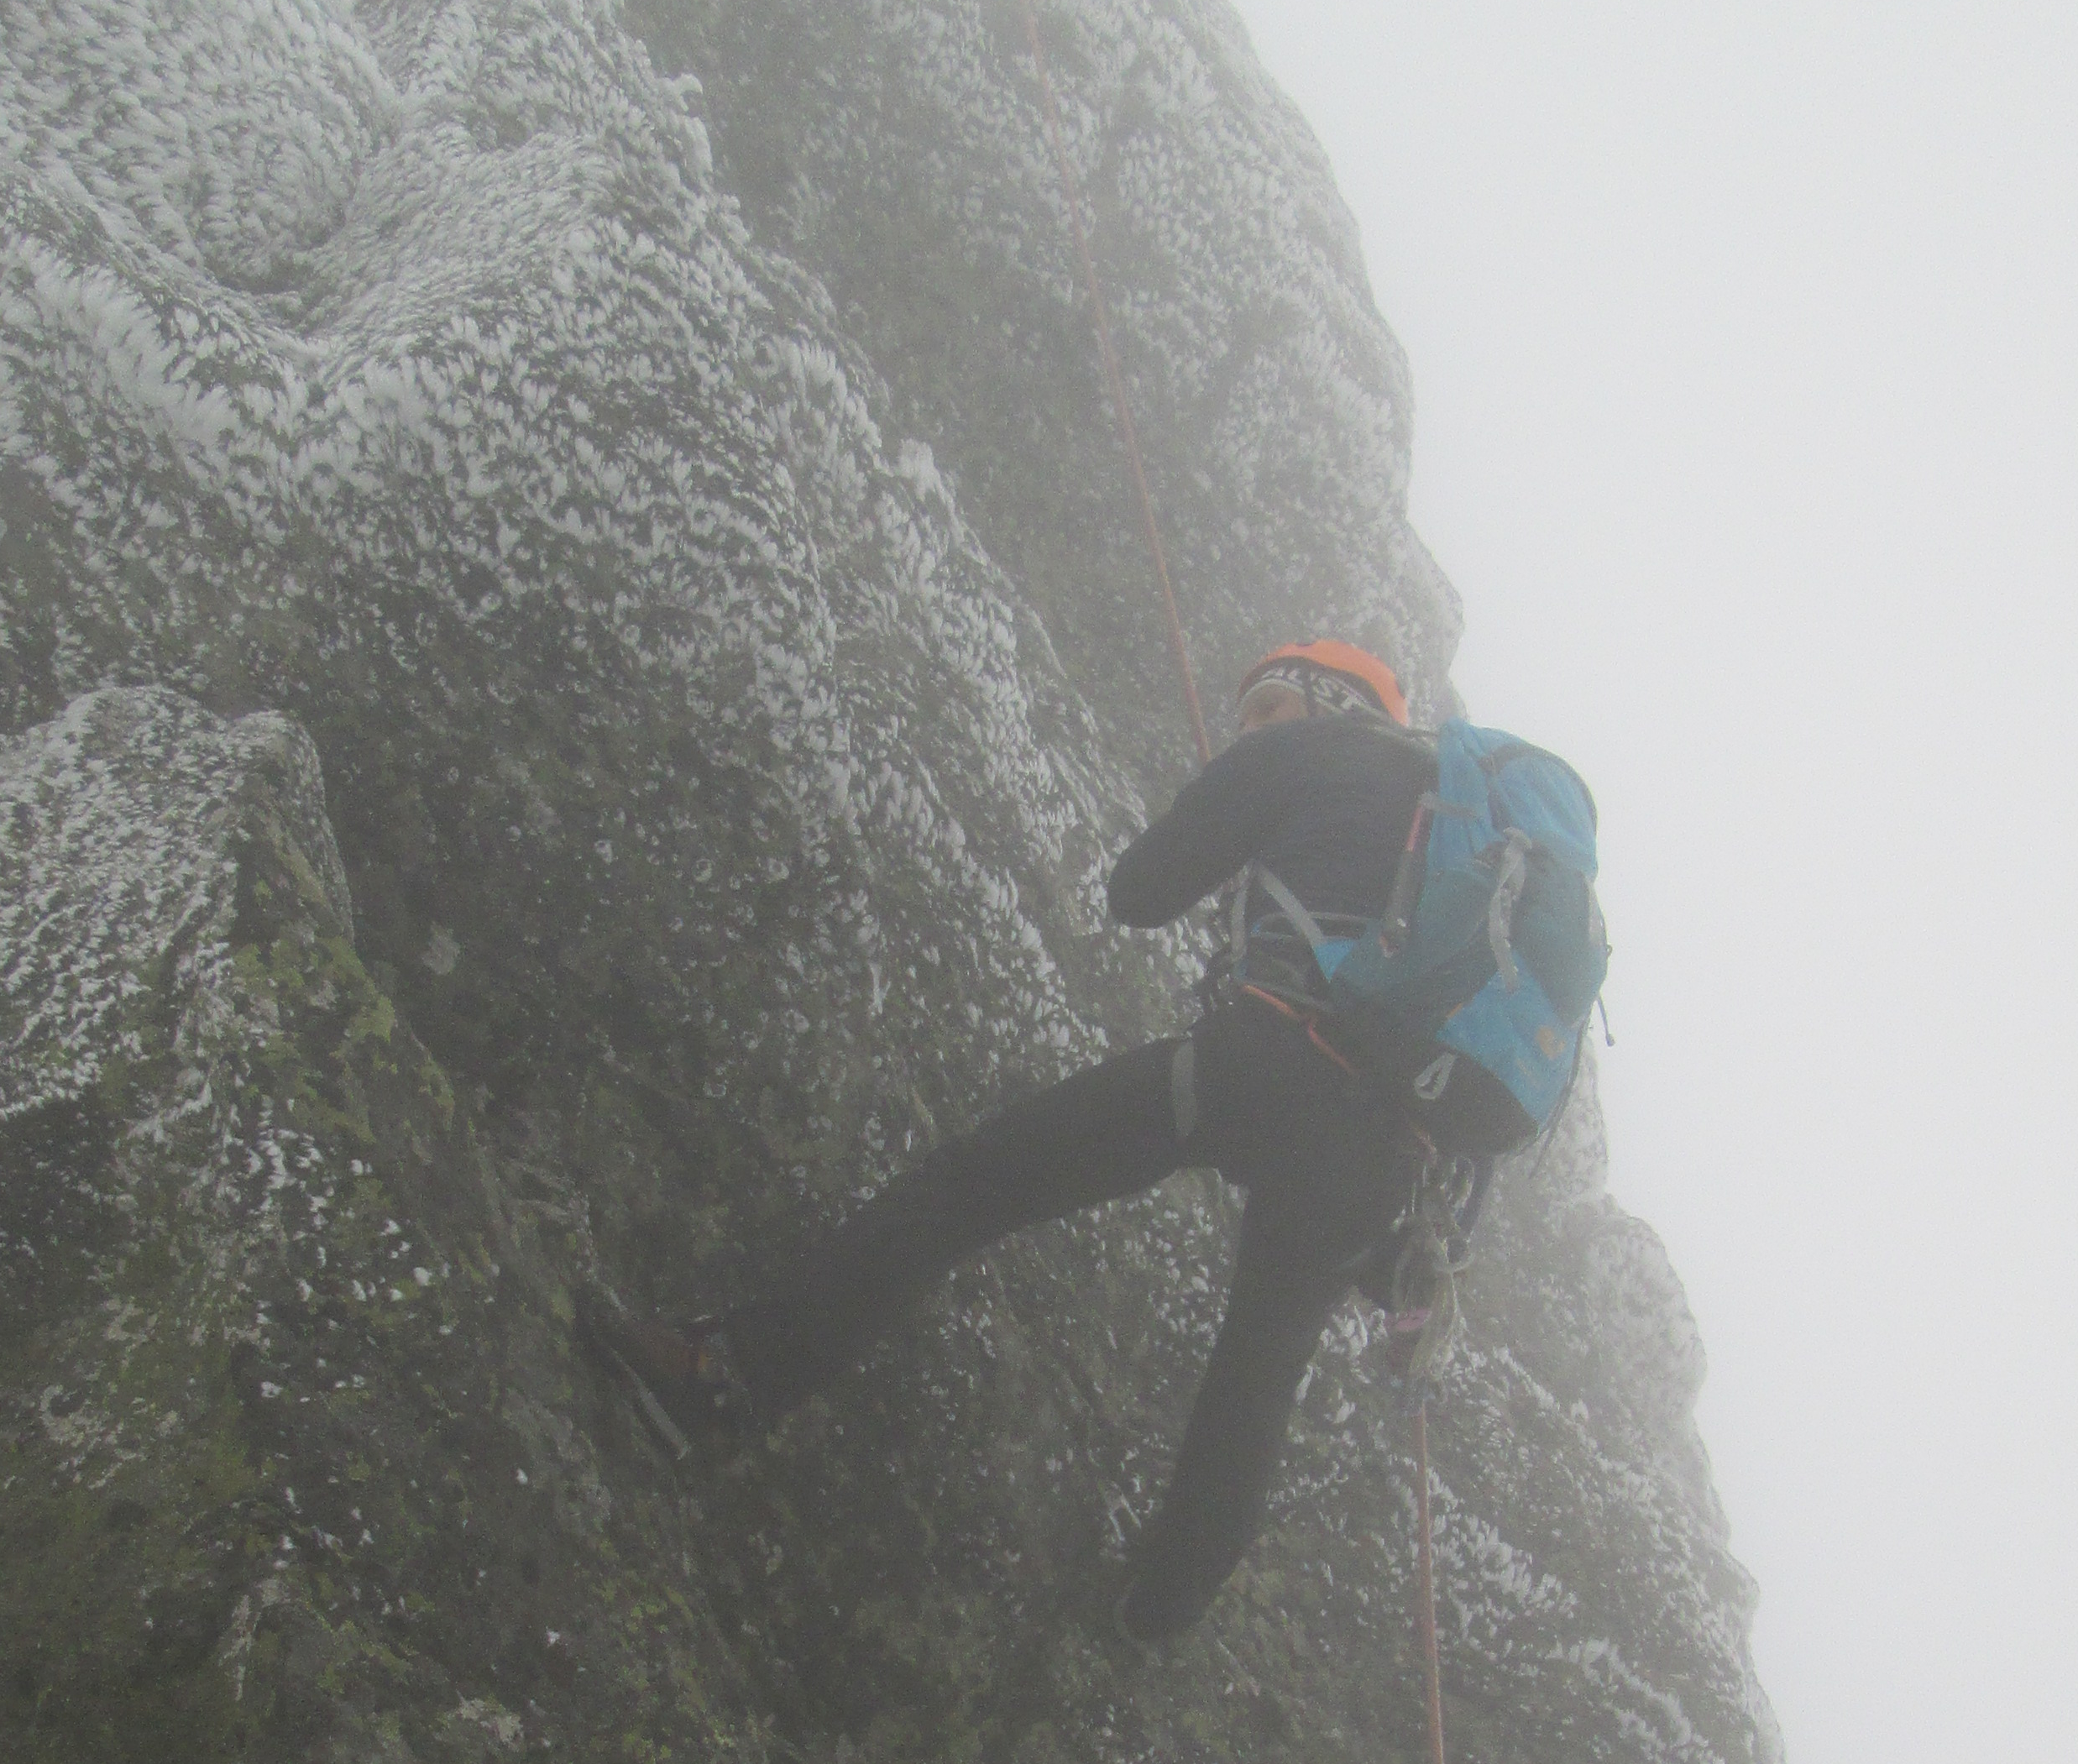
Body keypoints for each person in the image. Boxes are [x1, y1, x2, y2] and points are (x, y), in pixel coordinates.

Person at [595, 641, 1494, 1643]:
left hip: (1256, 1069)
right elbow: (1494, 1082)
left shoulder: (1311, 751)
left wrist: (1241, 825)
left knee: (974, 1184)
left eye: (1266, 706)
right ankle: (1158, 1617)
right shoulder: (1472, 841)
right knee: (1258, 1375)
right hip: (1381, 1161)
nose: (1246, 728)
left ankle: (736, 1375)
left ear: (1328, 701)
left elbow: (1139, 892)